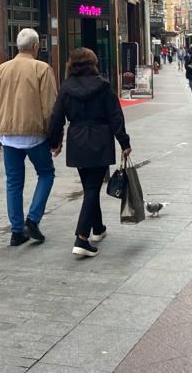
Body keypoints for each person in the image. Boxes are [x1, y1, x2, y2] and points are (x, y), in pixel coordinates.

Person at [47, 47, 132, 259]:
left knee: (89, 187)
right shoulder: (103, 86)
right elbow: (115, 116)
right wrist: (124, 142)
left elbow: (56, 117)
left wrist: (54, 142)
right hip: (100, 139)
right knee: (93, 188)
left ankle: (98, 228)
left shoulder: (66, 87)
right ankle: (82, 238)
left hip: (77, 140)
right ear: (93, 64)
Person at [0, 28, 58, 247]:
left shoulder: (2, 69)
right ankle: (33, 219)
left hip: (8, 135)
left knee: (13, 182)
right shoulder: (42, 68)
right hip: (35, 134)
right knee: (46, 173)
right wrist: (55, 137)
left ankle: (17, 231)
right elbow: (50, 108)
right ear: (35, 47)